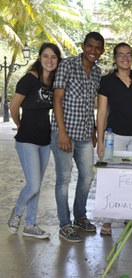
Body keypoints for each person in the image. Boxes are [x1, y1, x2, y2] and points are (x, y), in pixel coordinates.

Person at [51, 32, 105, 242]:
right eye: (90, 46)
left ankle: (80, 216)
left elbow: (91, 103)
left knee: (87, 176)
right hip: (64, 132)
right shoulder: (67, 65)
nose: (93, 51)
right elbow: (57, 98)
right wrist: (62, 132)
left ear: (101, 51)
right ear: (83, 46)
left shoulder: (98, 72)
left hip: (84, 134)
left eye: (98, 48)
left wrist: (92, 129)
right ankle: (64, 224)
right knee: (64, 179)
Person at [8, 43, 62, 239]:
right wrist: (20, 124)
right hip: (27, 140)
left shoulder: (54, 80)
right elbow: (13, 107)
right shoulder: (29, 80)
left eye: (54, 57)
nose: (49, 60)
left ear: (58, 60)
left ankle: (30, 225)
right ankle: (17, 212)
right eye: (46, 56)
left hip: (45, 140)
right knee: (33, 185)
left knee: (36, 186)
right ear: (39, 57)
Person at [96, 42, 132, 235]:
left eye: (128, 54)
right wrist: (100, 140)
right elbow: (102, 112)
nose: (125, 58)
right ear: (115, 58)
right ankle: (107, 221)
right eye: (121, 55)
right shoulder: (106, 81)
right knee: (111, 177)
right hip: (115, 136)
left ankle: (131, 215)